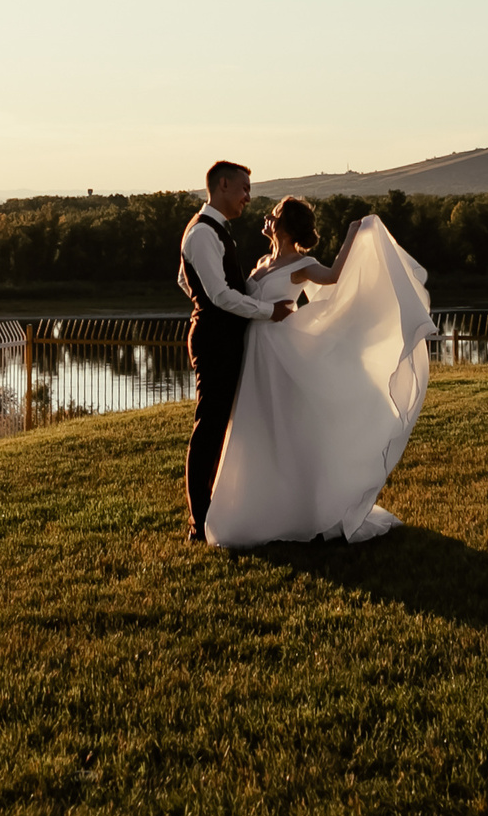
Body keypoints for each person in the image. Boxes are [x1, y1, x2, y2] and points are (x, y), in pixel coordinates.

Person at [201, 196, 437, 548]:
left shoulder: (302, 263)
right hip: (257, 351)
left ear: (283, 223)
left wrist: (353, 234)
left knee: (287, 426)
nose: (266, 217)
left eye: (273, 214)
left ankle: (304, 509)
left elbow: (334, 277)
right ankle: (257, 504)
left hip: (281, 351)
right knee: (257, 424)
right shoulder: (263, 261)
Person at [179, 160, 294, 541]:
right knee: (210, 426)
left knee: (226, 424)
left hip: (224, 334)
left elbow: (185, 278)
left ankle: (227, 506)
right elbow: (220, 294)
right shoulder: (202, 234)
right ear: (223, 185)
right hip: (214, 340)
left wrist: (205, 301)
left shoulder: (214, 231)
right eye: (244, 188)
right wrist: (268, 312)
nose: (248, 196)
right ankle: (201, 522)